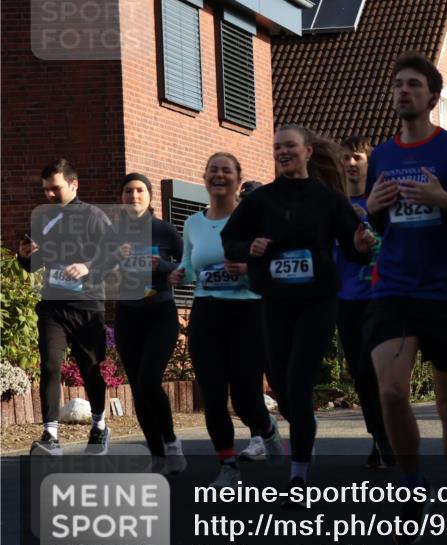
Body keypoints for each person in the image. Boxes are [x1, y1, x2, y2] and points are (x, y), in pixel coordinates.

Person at [362, 52, 447, 544]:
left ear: (433, 97)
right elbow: (378, 225)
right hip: (394, 289)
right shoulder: (380, 156)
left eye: (413, 85)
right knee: (392, 393)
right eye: (397, 84)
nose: (403, 91)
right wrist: (373, 214)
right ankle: (413, 485)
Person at [221, 127, 375, 502]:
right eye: (277, 148)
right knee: (283, 387)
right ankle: (304, 425)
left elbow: (355, 249)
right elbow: (231, 239)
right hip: (275, 302)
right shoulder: (262, 200)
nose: (283, 152)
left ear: (307, 152)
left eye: (289, 146)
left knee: (299, 379)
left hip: (318, 301)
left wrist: (361, 245)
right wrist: (250, 246)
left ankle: (299, 473)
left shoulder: (328, 198)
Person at [169, 153, 282, 488]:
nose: (219, 175)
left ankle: (267, 429)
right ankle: (228, 466)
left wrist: (248, 270)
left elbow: (274, 266)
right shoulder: (193, 223)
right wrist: (180, 273)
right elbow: (191, 265)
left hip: (248, 313)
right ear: (205, 177)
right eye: (213, 170)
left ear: (238, 177)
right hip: (207, 313)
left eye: (226, 170)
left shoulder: (255, 220)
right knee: (213, 394)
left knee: (247, 399)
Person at [19, 159, 113, 455]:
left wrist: (87, 266)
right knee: (49, 364)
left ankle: (98, 425)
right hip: (53, 305)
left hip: (87, 306)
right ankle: (50, 435)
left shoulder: (94, 217)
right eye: (45, 189)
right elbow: (36, 263)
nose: (48, 195)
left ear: (73, 185)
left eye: (55, 189)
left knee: (90, 369)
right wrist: (26, 257)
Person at [112, 173, 185, 472]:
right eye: (128, 191)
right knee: (138, 387)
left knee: (148, 380)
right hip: (128, 316)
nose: (134, 196)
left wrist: (164, 265)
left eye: (140, 190)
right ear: (122, 198)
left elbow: (185, 268)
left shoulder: (166, 231)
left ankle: (171, 443)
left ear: (150, 196)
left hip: (160, 314)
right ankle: (157, 454)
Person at [330, 135, 395, 470]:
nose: (351, 163)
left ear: (368, 162)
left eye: (356, 157)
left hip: (383, 298)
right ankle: (379, 437)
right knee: (361, 375)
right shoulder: (335, 206)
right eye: (345, 158)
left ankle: (386, 438)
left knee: (380, 374)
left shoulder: (382, 202)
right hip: (348, 300)